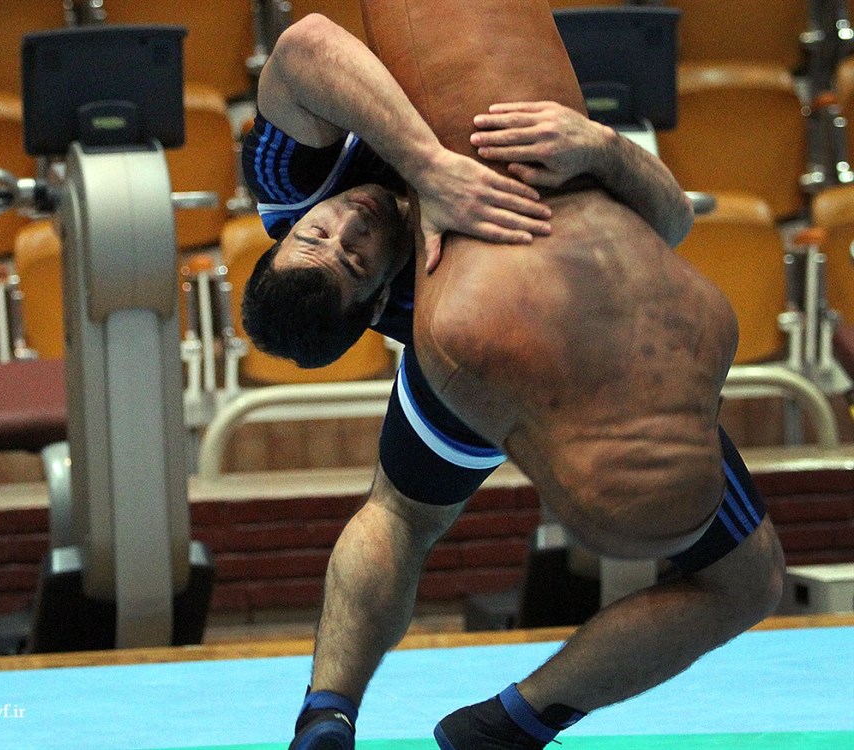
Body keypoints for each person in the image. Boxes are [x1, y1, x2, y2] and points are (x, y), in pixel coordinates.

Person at [238, 10, 785, 750]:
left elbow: (305, 44)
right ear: (376, 301)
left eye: (316, 232)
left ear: (286, 229)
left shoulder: (287, 180)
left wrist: (451, 166)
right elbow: (669, 225)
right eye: (357, 259)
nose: (348, 226)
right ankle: (379, 717)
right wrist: (593, 156)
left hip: (532, 338)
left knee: (747, 582)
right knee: (401, 517)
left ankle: (385, 718)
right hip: (499, 342)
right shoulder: (415, 305)